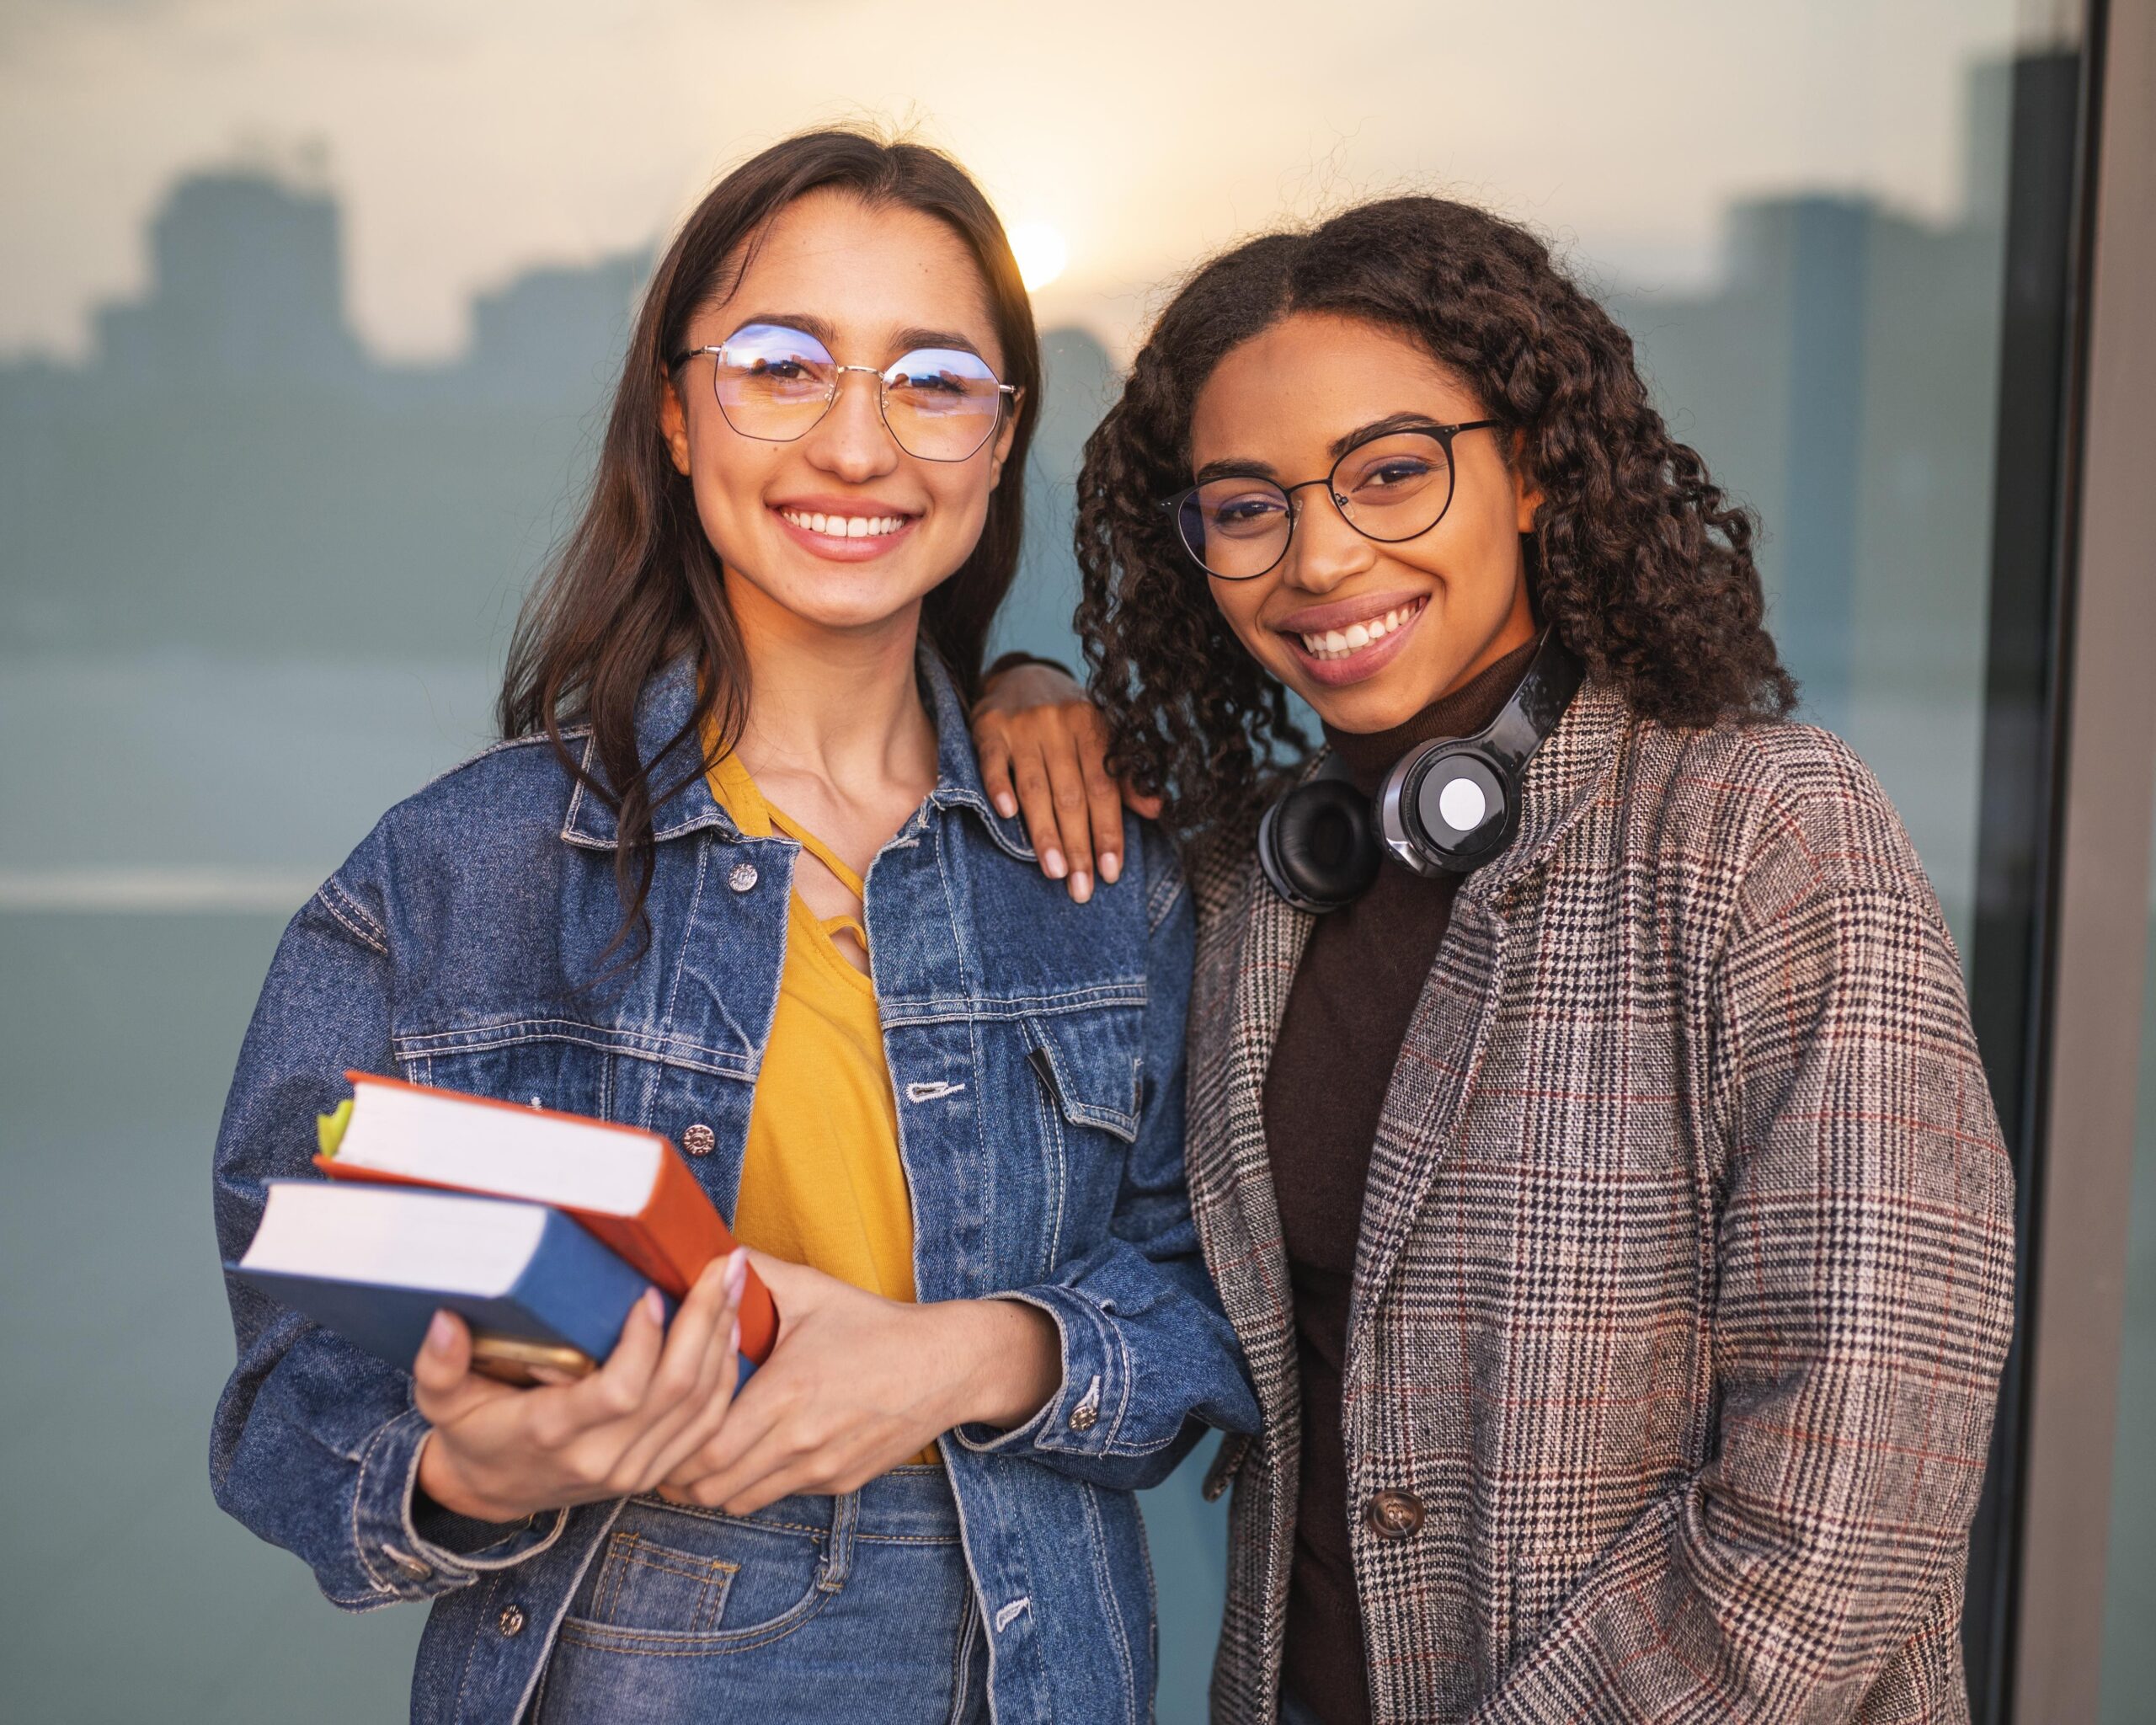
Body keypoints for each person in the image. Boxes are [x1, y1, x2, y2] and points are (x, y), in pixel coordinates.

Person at [209, 129, 1256, 1725]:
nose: (859, 443)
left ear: (997, 443)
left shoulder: (1109, 867)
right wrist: (469, 1470)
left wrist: (978, 1355)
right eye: (782, 366)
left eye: (934, 380)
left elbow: (1234, 1297)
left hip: (1045, 1677)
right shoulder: (457, 874)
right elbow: (295, 1381)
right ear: (681, 417)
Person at [973, 197, 2016, 1723]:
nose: (1321, 558)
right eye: (1247, 505)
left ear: (1529, 468)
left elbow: (1865, 1465)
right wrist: (1010, 681)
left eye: (1392, 473)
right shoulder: (1252, 880)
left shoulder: (1760, 830)